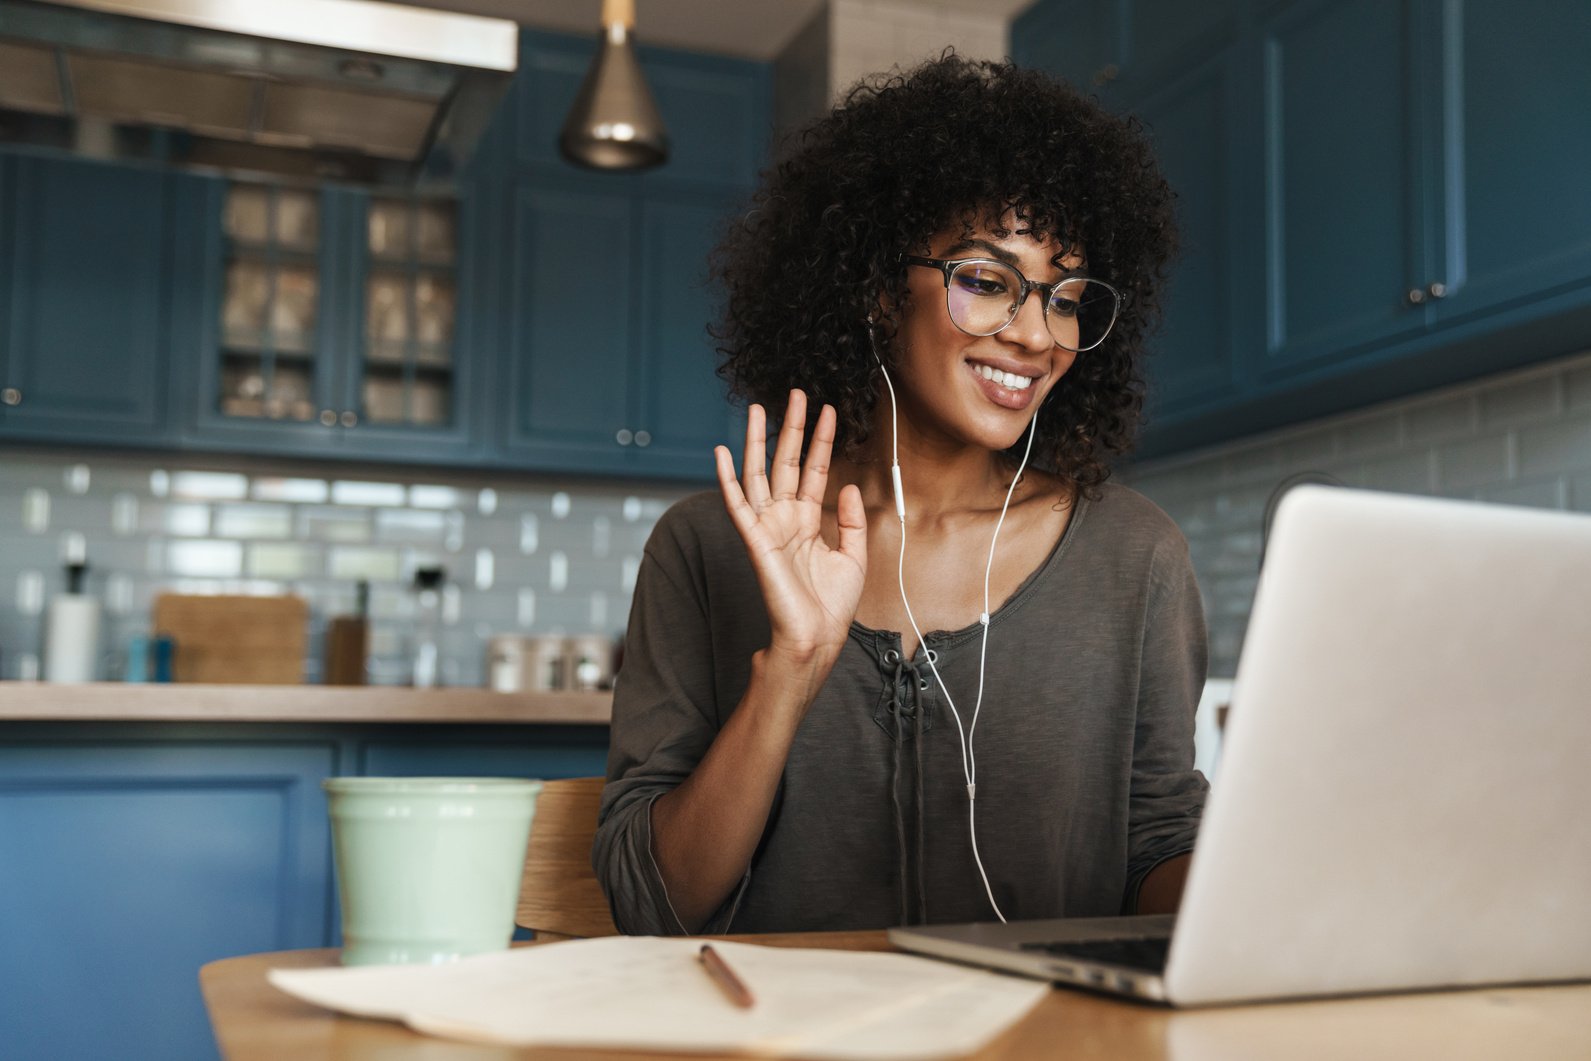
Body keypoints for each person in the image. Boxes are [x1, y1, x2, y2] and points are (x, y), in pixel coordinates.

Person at [593, 53, 1208, 935]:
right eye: (987, 282)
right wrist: (791, 671)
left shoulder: (1133, 555)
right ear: (880, 291)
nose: (1037, 336)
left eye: (1066, 298)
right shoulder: (707, 547)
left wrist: (1277, 891)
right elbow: (652, 904)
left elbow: (1157, 847)